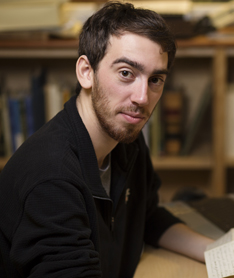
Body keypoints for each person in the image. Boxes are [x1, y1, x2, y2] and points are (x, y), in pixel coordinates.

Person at [0, 2, 213, 277]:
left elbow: (146, 218)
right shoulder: (51, 178)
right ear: (86, 72)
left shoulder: (127, 139)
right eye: (126, 73)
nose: (142, 98)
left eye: (156, 79)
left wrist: (218, 250)